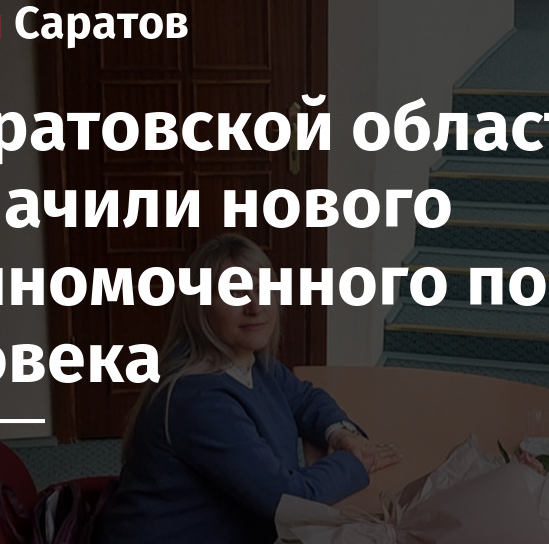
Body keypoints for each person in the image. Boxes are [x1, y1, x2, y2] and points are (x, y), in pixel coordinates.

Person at [93, 233, 401, 543]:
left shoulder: (249, 362)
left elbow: (306, 398)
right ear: (200, 307)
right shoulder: (200, 399)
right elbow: (289, 500)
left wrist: (342, 435)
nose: (254, 306)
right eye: (234, 293)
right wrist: (356, 460)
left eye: (262, 289)